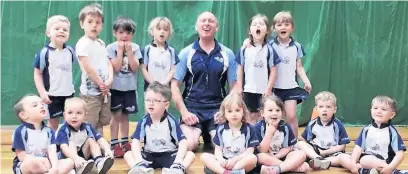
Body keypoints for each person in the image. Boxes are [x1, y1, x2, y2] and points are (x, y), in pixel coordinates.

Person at [171, 11, 237, 151]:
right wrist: (184, 113)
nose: (206, 23)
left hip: (217, 109)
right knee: (190, 145)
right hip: (192, 109)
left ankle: (208, 133)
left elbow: (235, 86)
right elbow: (174, 86)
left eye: (211, 21)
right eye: (203, 20)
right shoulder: (186, 53)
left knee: (222, 145)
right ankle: (197, 132)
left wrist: (225, 111)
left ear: (217, 27)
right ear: (196, 26)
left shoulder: (227, 54)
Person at [125, 82, 195, 174]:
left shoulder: (172, 121)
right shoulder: (143, 121)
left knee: (190, 155)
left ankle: (177, 169)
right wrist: (139, 161)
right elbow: (136, 141)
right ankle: (141, 169)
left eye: (156, 101)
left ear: (166, 105)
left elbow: (182, 142)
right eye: (148, 100)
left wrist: (178, 161)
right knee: (128, 154)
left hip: (169, 154)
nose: (151, 103)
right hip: (149, 155)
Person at [339, 96, 407, 174]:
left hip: (384, 162)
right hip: (366, 158)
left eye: (383, 109)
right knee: (342, 157)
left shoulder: (392, 132)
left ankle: (394, 172)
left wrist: (390, 167)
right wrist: (353, 163)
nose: (378, 111)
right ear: (371, 111)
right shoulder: (366, 129)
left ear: (392, 115)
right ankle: (366, 171)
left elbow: (400, 155)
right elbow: (358, 148)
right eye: (375, 108)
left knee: (365, 160)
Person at [106, 16, 142, 158]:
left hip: (130, 89)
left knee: (125, 116)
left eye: (128, 33)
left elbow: (134, 67)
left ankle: (125, 141)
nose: (125, 36)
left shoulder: (136, 48)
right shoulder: (110, 48)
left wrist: (130, 52)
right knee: (116, 116)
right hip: (115, 88)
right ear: (115, 33)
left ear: (132, 34)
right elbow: (115, 67)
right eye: (121, 32)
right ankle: (114, 143)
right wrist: (120, 51)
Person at [11, 94, 74, 174]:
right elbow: (22, 156)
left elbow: (52, 151)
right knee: (32, 164)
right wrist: (39, 160)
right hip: (28, 164)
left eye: (42, 104)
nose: (41, 106)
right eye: (35, 105)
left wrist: (55, 168)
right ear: (23, 115)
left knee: (69, 162)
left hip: (47, 164)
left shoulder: (49, 131)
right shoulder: (20, 131)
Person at [33, 15, 76, 131]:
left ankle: (67, 145)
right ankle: (52, 146)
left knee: (71, 121)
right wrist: (42, 93)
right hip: (52, 95)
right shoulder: (44, 53)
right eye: (57, 29)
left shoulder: (70, 51)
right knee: (53, 123)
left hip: (68, 94)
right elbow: (37, 74)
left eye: (65, 30)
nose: (61, 31)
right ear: (48, 33)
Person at [235, 14, 280, 125]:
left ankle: (263, 139)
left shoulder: (270, 49)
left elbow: (274, 71)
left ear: (267, 31)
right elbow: (240, 68)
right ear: (250, 31)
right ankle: (252, 139)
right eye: (254, 24)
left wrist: (268, 89)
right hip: (248, 89)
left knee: (263, 115)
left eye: (261, 24)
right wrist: (239, 86)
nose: (258, 26)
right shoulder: (244, 49)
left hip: (264, 90)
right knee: (250, 115)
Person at [76, 3, 113, 134]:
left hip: (103, 92)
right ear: (82, 24)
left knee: (101, 122)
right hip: (90, 94)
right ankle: (88, 152)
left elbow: (108, 63)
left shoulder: (101, 43)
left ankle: (100, 149)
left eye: (98, 22)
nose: (94, 25)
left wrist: (109, 79)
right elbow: (88, 67)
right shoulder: (82, 43)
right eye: (90, 21)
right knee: (89, 123)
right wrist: (100, 83)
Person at [200, 93, 258, 174]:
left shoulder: (249, 129)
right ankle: (226, 172)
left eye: (237, 110)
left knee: (253, 158)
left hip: (240, 161)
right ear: (224, 113)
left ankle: (228, 171)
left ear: (243, 111)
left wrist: (235, 160)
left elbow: (249, 152)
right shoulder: (220, 129)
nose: (234, 114)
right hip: (225, 161)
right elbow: (218, 149)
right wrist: (221, 160)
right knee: (204, 156)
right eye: (230, 111)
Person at [56, 97, 114, 174]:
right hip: (69, 159)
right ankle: (76, 167)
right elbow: (64, 148)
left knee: (91, 140)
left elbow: (100, 139)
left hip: (83, 156)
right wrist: (76, 158)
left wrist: (107, 149)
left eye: (78, 113)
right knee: (71, 143)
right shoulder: (63, 130)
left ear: (85, 115)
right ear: (64, 115)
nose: (74, 116)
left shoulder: (88, 127)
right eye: (70, 113)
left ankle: (99, 162)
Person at [255, 95, 309, 174]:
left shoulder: (285, 127)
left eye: (278, 110)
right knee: (260, 157)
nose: (274, 113)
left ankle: (277, 169)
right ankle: (290, 167)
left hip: (282, 157)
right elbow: (262, 150)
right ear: (262, 113)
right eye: (270, 110)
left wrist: (276, 157)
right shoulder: (257, 128)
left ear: (282, 112)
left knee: (302, 154)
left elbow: (288, 148)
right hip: (267, 158)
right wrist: (269, 134)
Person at [297, 91, 350, 170]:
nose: (324, 110)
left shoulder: (338, 125)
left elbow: (342, 146)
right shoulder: (312, 124)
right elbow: (305, 139)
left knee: (343, 157)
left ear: (334, 109)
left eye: (328, 107)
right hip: (316, 152)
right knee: (300, 144)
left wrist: (325, 152)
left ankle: (323, 161)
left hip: (332, 153)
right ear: (316, 109)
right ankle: (318, 159)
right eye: (321, 107)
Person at [141, 17, 178, 89]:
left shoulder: (172, 51)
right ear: (152, 32)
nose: (162, 32)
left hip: (165, 89)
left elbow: (173, 70)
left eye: (165, 29)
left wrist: (165, 83)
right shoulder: (147, 49)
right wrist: (153, 83)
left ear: (169, 33)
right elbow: (143, 68)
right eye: (159, 29)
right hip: (150, 89)